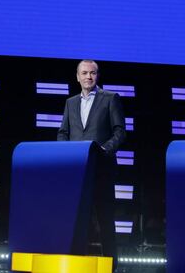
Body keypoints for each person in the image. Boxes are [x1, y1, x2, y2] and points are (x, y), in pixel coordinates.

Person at [57, 60, 126, 267]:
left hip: (102, 169)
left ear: (98, 75)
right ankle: (77, 265)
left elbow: (120, 131)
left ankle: (111, 266)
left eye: (92, 73)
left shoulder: (110, 98)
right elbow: (63, 132)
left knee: (105, 221)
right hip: (77, 172)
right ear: (77, 76)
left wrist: (105, 150)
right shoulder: (70, 102)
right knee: (78, 222)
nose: (88, 77)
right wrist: (66, 152)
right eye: (84, 73)